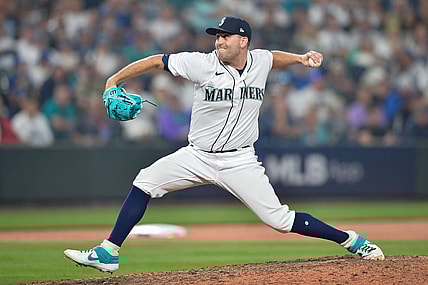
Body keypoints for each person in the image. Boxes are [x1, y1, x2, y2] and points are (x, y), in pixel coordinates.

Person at [64, 16, 384, 273]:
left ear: (242, 41)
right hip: (197, 155)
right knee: (145, 181)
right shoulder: (201, 63)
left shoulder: (259, 60)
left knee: (280, 220)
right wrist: (114, 80)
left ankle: (352, 240)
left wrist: (300, 59)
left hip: (240, 161)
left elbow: (273, 58)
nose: (219, 41)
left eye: (225, 36)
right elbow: (156, 61)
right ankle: (108, 252)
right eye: (217, 36)